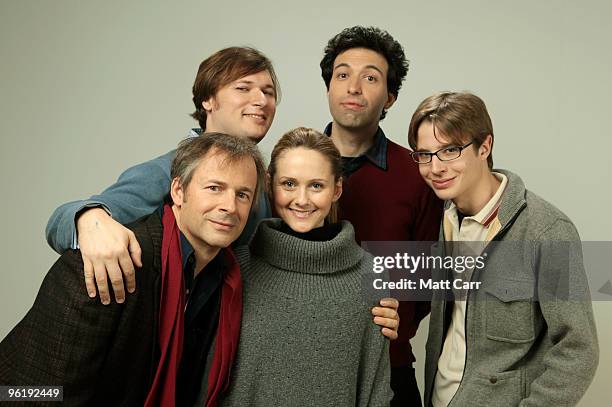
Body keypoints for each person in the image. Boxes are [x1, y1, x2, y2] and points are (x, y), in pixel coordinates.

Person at [43, 46, 401, 338]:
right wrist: (88, 219)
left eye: (269, 92)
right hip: (164, 339)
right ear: (208, 101)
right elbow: (62, 221)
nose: (261, 100)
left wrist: (366, 304)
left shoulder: (266, 182)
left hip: (233, 344)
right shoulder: (174, 169)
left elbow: (298, 266)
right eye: (243, 88)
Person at [0, 133, 266, 406]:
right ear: (178, 191)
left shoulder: (224, 279)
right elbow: (37, 393)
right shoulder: (108, 263)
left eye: (242, 194)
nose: (229, 206)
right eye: (214, 188)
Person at [407, 91, 599, 406]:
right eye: (424, 154)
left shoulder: (547, 231)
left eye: (450, 151)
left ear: (485, 146)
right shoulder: (439, 222)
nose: (435, 167)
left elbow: (579, 349)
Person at [219, 127, 393, 406]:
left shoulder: (371, 274)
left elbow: (376, 391)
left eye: (316, 185)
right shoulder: (235, 267)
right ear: (268, 184)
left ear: (336, 189)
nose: (301, 200)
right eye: (288, 184)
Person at [320, 26, 443, 405]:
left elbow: (424, 284)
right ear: (329, 88)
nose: (353, 87)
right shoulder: (291, 169)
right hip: (307, 365)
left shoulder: (418, 174)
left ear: (389, 98)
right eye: (342, 75)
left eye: (369, 78)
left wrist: (389, 324)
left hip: (389, 368)